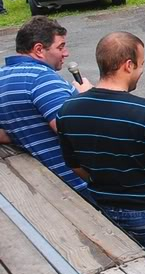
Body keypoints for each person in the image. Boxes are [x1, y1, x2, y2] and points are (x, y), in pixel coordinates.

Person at [56, 32, 145, 274]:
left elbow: (74, 165)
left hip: (106, 207)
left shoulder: (67, 111)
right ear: (128, 65)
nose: (141, 70)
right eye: (141, 64)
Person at [0, 17, 91, 195]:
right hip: (77, 186)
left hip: (44, 185)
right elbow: (72, 130)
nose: (66, 53)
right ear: (39, 49)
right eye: (60, 47)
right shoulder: (41, 78)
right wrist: (86, 98)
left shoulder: (2, 78)